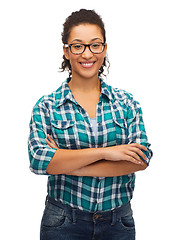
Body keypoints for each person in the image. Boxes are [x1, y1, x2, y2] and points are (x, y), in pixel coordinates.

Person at [28, 9, 153, 240]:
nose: (87, 54)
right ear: (66, 51)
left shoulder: (126, 103)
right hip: (63, 223)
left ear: (104, 49)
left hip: (119, 224)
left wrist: (64, 161)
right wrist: (108, 153)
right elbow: (38, 160)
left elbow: (142, 158)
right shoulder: (46, 106)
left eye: (95, 45)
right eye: (78, 46)